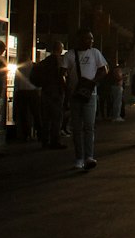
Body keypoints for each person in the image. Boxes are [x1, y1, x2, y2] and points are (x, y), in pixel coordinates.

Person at [63, 28, 108, 170]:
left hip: (90, 95)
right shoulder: (70, 55)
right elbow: (62, 73)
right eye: (88, 38)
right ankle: (79, 158)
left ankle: (89, 156)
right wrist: (68, 89)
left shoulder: (95, 53)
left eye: (92, 39)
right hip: (75, 96)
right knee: (77, 128)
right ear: (80, 39)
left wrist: (92, 83)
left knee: (89, 126)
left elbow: (104, 69)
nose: (91, 41)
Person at [37, 38, 67, 148]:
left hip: (45, 91)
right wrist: (65, 89)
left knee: (46, 118)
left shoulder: (45, 61)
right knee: (56, 117)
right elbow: (62, 76)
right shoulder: (59, 60)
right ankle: (55, 141)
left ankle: (45, 141)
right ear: (60, 49)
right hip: (56, 92)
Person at [12, 57, 41, 141]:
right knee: (36, 114)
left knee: (23, 114)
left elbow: (16, 81)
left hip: (22, 92)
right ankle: (39, 133)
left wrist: (16, 91)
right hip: (33, 91)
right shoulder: (34, 66)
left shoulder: (19, 68)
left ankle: (25, 134)